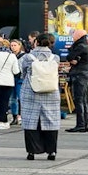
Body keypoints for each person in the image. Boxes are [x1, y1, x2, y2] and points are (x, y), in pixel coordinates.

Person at [19, 32, 60, 160]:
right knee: (50, 120)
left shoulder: (27, 57)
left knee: (31, 121)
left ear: (36, 42)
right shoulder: (55, 58)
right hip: (51, 91)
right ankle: (51, 151)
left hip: (31, 90)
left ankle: (32, 151)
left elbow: (23, 72)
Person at [65, 28, 88, 132]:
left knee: (79, 99)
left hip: (79, 74)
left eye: (74, 35)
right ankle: (84, 124)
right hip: (85, 73)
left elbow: (69, 56)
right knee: (84, 100)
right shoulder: (86, 46)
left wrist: (73, 59)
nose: (72, 37)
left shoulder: (80, 46)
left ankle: (80, 124)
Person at [9, 38, 26, 124]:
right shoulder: (9, 55)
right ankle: (14, 116)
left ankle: (23, 116)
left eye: (15, 45)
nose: (13, 47)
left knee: (21, 97)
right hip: (11, 78)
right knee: (12, 98)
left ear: (19, 46)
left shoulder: (24, 56)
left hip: (20, 78)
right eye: (11, 45)